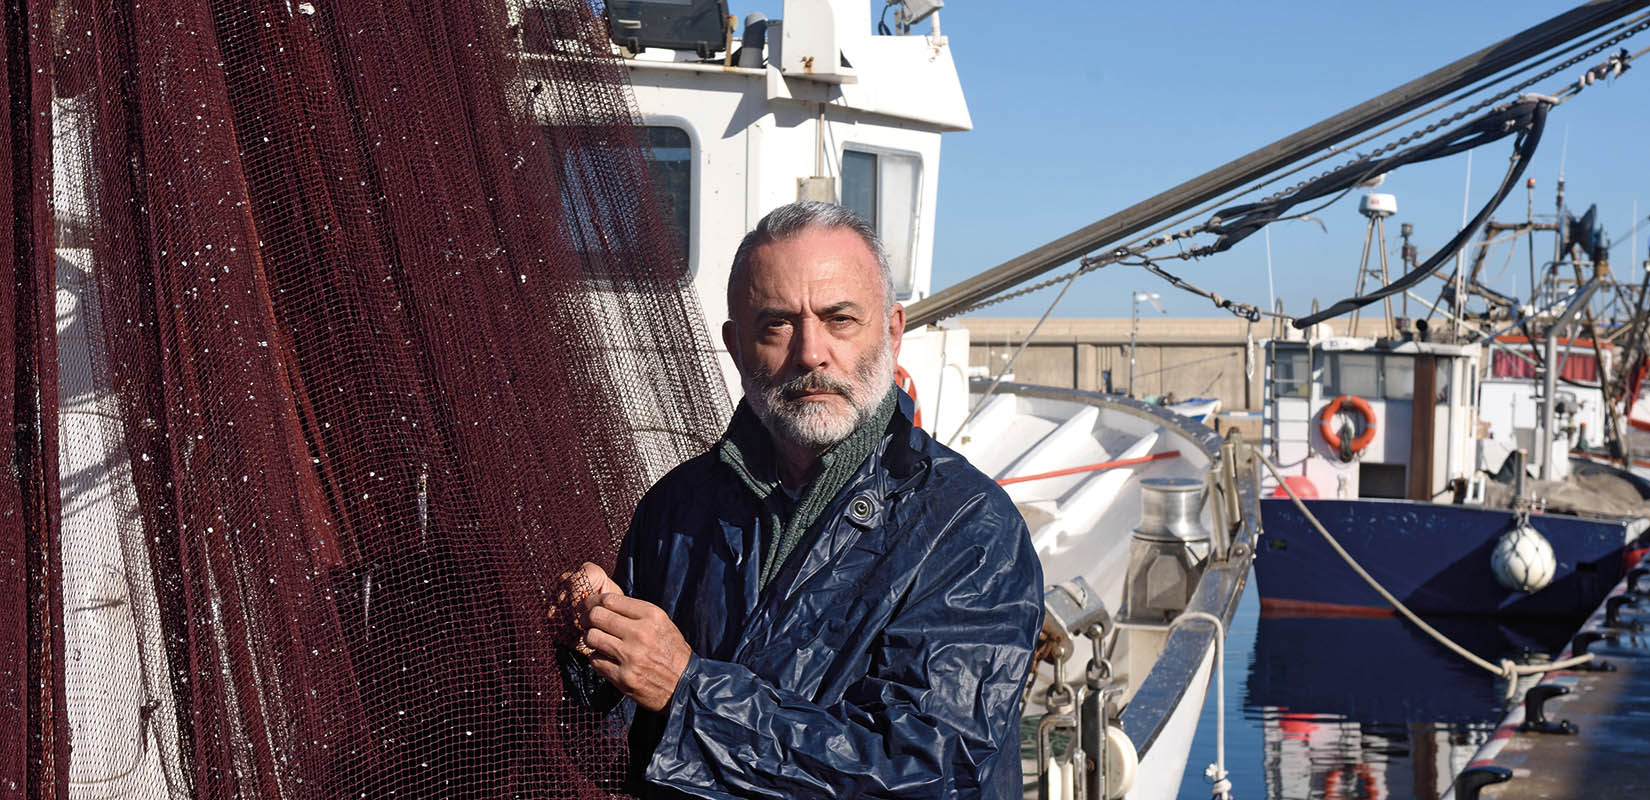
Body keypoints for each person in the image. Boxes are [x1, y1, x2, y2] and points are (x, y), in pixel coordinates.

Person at [553, 201, 1042, 798]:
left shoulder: (971, 529)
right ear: (736, 346)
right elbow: (620, 727)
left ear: (890, 331)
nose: (811, 352)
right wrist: (593, 645)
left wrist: (689, 690)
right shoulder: (676, 507)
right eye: (777, 325)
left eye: (839, 319)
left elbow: (924, 770)